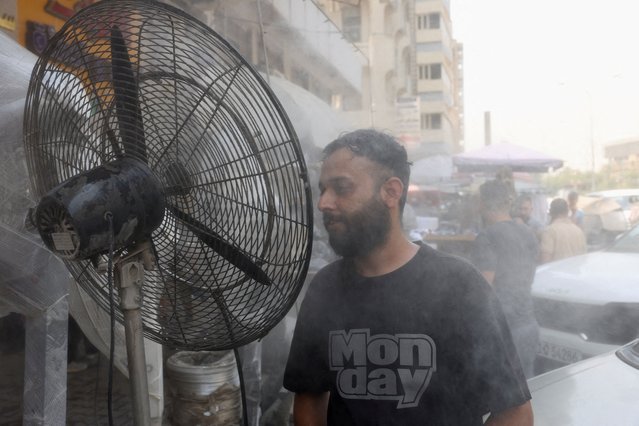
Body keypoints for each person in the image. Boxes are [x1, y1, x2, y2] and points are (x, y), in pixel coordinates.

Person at [283, 129, 533, 425]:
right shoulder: (324, 289)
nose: (324, 202)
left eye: (342, 188)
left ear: (391, 191)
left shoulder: (458, 285)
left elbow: (514, 413)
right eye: (323, 189)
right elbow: (309, 400)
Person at [470, 180, 540, 379]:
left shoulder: (487, 236)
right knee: (526, 395)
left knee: (501, 401)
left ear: (483, 203)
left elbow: (483, 288)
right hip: (529, 325)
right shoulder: (528, 233)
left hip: (502, 332)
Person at [540, 198, 587, 263]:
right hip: (575, 271)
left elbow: (545, 260)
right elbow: (583, 257)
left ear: (551, 213)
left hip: (556, 272)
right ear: (567, 212)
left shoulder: (550, 231)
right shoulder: (578, 231)